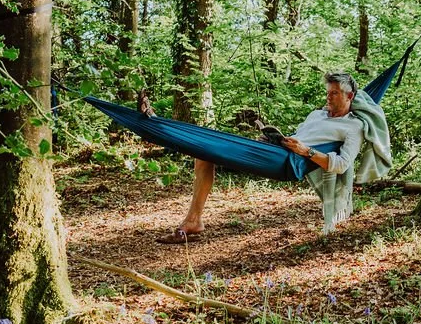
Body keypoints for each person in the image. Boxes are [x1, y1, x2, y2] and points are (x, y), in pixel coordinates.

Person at [156, 72, 388, 243]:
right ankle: (194, 220)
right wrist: (276, 138)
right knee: (203, 154)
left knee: (206, 147)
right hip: (277, 150)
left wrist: (305, 151)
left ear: (350, 96)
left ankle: (156, 124)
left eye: (334, 93)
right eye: (327, 93)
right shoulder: (316, 114)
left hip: (288, 163)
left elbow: (342, 164)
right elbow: (300, 135)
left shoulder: (353, 126)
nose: (328, 98)